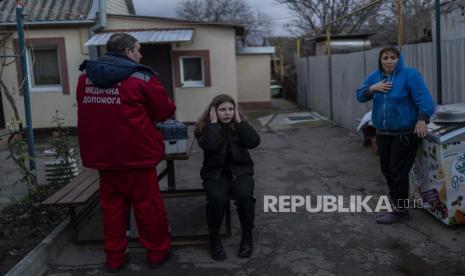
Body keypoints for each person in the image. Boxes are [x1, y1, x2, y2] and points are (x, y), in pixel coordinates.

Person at [76, 33, 175, 272]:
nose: (140, 55)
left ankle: (114, 258)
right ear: (127, 52)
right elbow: (164, 111)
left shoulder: (85, 77)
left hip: (104, 158)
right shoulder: (142, 76)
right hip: (136, 157)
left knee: (112, 210)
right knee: (148, 207)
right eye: (138, 50)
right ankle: (157, 253)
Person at [356, 45, 435, 224]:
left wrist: (422, 118)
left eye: (393, 57)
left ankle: (400, 210)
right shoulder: (375, 77)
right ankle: (397, 204)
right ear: (380, 60)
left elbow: (426, 100)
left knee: (398, 171)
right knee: (387, 170)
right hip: (383, 132)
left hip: (405, 133)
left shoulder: (410, 75)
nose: (389, 61)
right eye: (385, 58)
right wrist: (372, 88)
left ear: (399, 59)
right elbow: (360, 96)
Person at [194, 94, 260, 260]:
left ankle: (247, 236)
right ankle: (214, 238)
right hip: (215, 174)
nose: (227, 113)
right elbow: (210, 145)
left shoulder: (239, 126)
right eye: (222, 109)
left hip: (241, 171)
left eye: (231, 109)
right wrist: (214, 124)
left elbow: (254, 142)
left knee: (245, 196)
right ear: (213, 111)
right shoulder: (204, 128)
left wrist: (239, 122)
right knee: (217, 199)